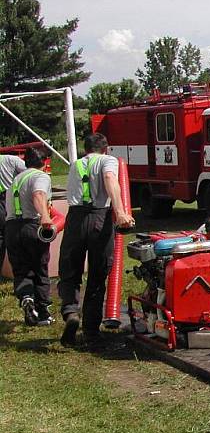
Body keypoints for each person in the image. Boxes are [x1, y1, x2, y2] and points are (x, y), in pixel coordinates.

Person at [59, 133, 135, 347]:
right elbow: (110, 179)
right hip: (99, 218)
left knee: (70, 268)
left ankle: (70, 311)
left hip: (74, 218)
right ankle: (91, 330)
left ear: (86, 149)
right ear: (106, 148)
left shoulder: (75, 165)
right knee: (98, 272)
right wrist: (120, 212)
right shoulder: (108, 160)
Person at [5, 148, 54, 326]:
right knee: (40, 267)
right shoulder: (40, 176)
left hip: (11, 228)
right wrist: (46, 217)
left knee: (21, 269)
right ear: (44, 162)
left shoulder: (16, 180)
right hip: (31, 226)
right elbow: (38, 194)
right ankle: (43, 312)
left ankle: (26, 297)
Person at [0, 152, 26, 271]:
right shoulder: (13, 160)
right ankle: (18, 270)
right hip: (9, 201)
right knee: (12, 236)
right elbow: (29, 173)